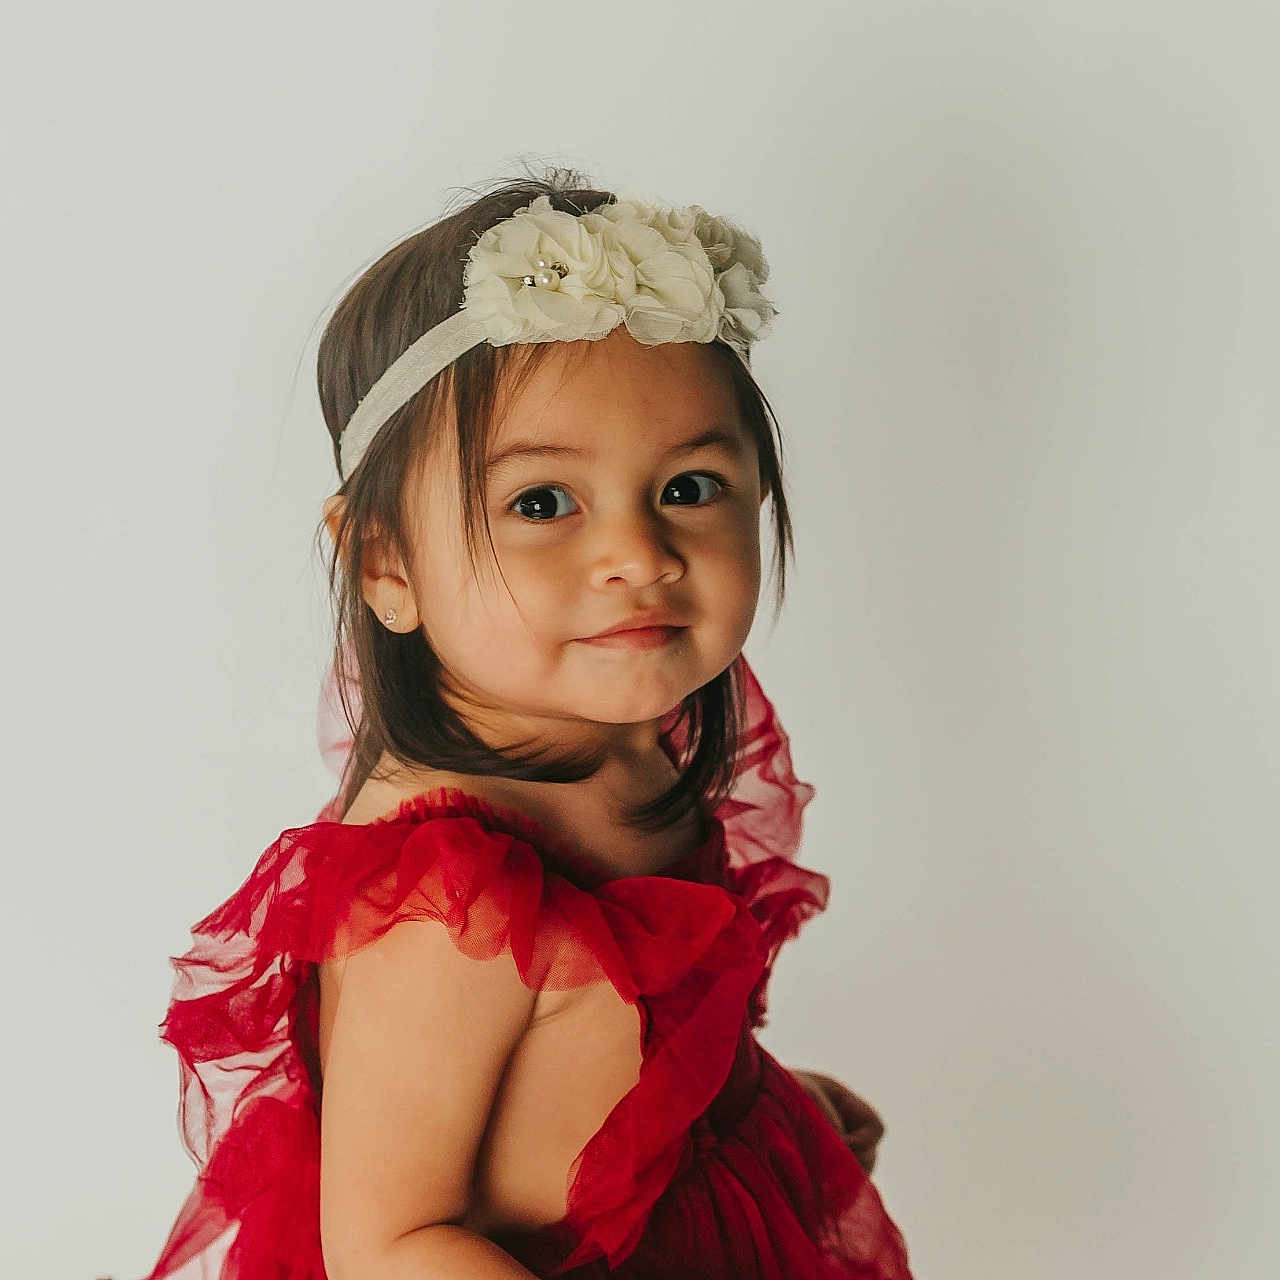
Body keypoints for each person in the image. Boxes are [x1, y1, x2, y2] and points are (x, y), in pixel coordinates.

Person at [131, 168, 914, 1278]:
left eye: (689, 485)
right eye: (541, 503)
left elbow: (618, 1058)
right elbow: (391, 1243)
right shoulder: (442, 905)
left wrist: (750, 1110)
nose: (638, 553)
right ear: (387, 562)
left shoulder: (623, 746)